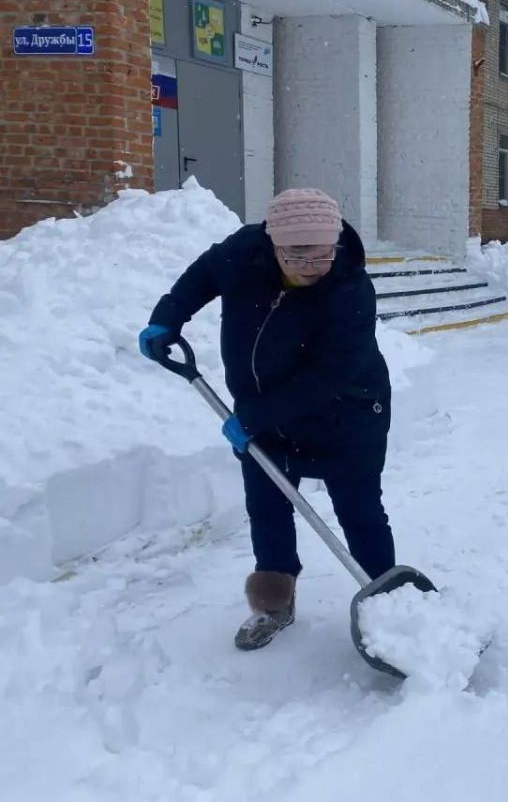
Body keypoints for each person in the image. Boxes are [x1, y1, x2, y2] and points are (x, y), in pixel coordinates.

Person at [138, 189, 395, 652]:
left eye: (324, 253)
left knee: (359, 510)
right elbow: (200, 277)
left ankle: (393, 601)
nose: (315, 265)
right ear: (272, 243)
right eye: (299, 254)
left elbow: (332, 372)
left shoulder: (350, 288)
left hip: (348, 413)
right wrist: (167, 317)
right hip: (266, 413)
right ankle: (275, 602)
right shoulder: (244, 252)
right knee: (268, 505)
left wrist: (254, 415)